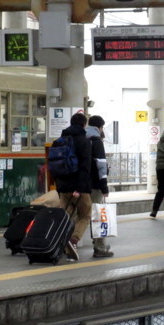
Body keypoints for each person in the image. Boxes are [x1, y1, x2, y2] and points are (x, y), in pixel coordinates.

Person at [55, 111, 93, 261]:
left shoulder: (59, 140)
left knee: (67, 217)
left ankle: (66, 246)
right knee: (85, 215)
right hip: (79, 186)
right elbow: (85, 167)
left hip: (63, 186)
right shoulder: (84, 141)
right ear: (84, 125)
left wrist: (59, 185)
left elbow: (55, 165)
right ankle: (73, 240)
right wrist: (80, 187)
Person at [85, 115, 114, 258]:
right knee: (98, 215)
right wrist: (104, 187)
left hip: (78, 185)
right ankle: (100, 247)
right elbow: (101, 166)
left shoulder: (80, 138)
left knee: (78, 216)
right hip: (94, 185)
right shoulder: (96, 141)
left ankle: (67, 245)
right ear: (100, 127)